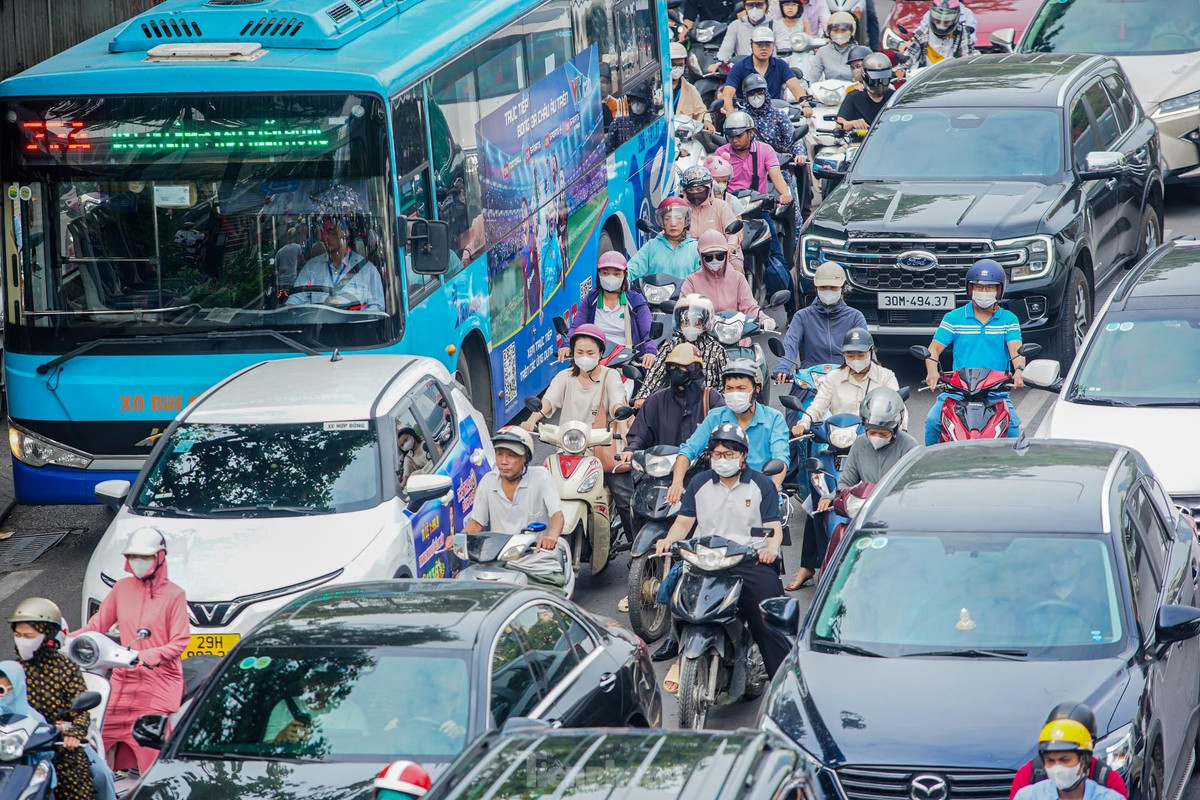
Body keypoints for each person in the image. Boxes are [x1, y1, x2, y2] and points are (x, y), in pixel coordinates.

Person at [653, 422, 789, 686]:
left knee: (768, 621)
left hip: (749, 559)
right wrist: (668, 540)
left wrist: (771, 549)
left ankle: (784, 683)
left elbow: (773, 528)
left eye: (729, 454)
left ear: (743, 456)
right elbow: (684, 522)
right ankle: (682, 652)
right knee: (682, 604)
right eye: (717, 454)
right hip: (706, 559)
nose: (722, 460)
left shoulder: (761, 485)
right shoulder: (699, 482)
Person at [76, 527, 189, 773]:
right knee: (97, 734)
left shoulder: (174, 595)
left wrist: (148, 655)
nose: (138, 562)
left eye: (145, 557)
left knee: (150, 743)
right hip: (123, 676)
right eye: (133, 556)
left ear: (159, 557)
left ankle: (155, 784)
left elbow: (180, 641)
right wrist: (64, 638)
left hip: (159, 679)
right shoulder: (121, 589)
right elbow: (96, 626)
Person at [524, 325, 633, 541]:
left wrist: (620, 418)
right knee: (540, 493)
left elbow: (617, 401)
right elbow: (548, 402)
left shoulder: (610, 376)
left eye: (590, 352)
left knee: (624, 497)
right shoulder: (564, 377)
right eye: (579, 352)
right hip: (568, 450)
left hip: (600, 450)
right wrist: (531, 420)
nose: (584, 357)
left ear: (600, 353)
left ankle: (635, 546)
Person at [923, 259, 1025, 445]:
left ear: (999, 290)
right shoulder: (953, 317)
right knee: (933, 421)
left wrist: (1019, 371)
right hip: (958, 392)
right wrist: (932, 371)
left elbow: (1016, 350)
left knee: (1013, 432)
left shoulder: (1009, 319)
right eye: (979, 287)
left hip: (995, 393)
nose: (984, 291)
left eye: (990, 287)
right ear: (970, 289)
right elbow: (934, 349)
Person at [669, 359, 790, 505]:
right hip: (721, 499)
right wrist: (677, 483)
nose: (734, 393)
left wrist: (773, 488)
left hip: (762, 499)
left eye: (741, 388)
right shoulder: (715, 417)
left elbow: (781, 459)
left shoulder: (774, 418)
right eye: (729, 388)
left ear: (757, 389)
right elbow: (688, 450)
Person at [11, 598, 96, 800]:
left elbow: (81, 710)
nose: (22, 640)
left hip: (61, 748)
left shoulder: (66, 668)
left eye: (28, 636)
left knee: (96, 778)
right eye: (17, 635)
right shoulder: (12, 670)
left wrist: (73, 732)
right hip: (21, 752)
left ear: (47, 635)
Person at [713, 112, 795, 303]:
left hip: (758, 211)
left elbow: (776, 176)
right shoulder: (721, 154)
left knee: (777, 258)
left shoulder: (765, 150)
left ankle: (791, 308)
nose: (734, 140)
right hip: (729, 212)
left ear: (751, 133)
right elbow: (713, 180)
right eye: (730, 136)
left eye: (739, 135)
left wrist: (785, 194)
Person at [464, 427, 565, 550]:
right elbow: (476, 523)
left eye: (511, 455)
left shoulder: (541, 476)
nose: (504, 461)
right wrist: (459, 538)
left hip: (536, 554)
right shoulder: (488, 481)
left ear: (525, 458)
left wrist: (551, 537)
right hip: (498, 555)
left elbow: (557, 515)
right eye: (499, 454)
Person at [790, 328, 900, 436]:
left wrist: (900, 430)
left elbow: (898, 409)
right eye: (850, 356)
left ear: (871, 351)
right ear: (843, 354)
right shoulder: (833, 377)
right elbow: (818, 406)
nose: (856, 359)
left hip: (874, 437)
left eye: (861, 355)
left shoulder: (886, 377)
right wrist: (804, 423)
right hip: (840, 437)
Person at [623, 344, 726, 455]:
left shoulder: (711, 398)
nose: (676, 370)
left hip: (701, 463)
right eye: (672, 366)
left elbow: (724, 434)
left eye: (683, 367)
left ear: (695, 370)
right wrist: (631, 450)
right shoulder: (657, 400)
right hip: (663, 463)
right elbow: (640, 434)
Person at [1010, 704, 1128, 800]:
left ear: (1084, 758)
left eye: (1065, 760)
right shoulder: (1028, 791)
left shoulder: (1109, 785)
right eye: (1050, 760)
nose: (1057, 768)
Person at [562, 252, 658, 369]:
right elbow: (577, 326)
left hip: (625, 363)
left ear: (624, 275)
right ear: (598, 274)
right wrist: (567, 345)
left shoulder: (635, 301)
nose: (611, 278)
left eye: (617, 274)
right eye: (605, 273)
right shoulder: (591, 299)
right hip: (594, 360)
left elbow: (647, 332)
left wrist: (650, 352)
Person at [773, 262, 867, 379]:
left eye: (833, 288)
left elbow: (866, 350)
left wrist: (872, 372)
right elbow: (790, 345)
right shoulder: (802, 317)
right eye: (823, 287)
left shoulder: (855, 317)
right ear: (816, 288)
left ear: (843, 288)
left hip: (846, 379)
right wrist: (783, 368)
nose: (828, 291)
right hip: (810, 380)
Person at [741, 72, 811, 220]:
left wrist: (800, 154)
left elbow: (793, 139)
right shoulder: (741, 118)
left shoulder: (778, 115)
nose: (756, 97)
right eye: (751, 94)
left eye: (760, 93)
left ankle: (799, 228)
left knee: (793, 209)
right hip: (748, 172)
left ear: (766, 94)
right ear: (745, 96)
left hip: (778, 168)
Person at [635, 294, 728, 404]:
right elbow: (655, 375)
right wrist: (643, 395)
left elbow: (726, 385)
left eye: (696, 322)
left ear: (707, 322)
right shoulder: (670, 347)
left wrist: (716, 404)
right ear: (678, 322)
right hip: (674, 404)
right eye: (685, 322)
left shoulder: (717, 351)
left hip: (706, 406)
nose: (690, 326)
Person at [682, 230, 776, 334]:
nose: (715, 261)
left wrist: (764, 319)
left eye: (720, 256)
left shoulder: (738, 278)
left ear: (726, 255)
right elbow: (684, 310)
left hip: (736, 336)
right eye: (708, 257)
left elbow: (750, 307)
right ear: (701, 256)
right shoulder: (691, 281)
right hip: (704, 338)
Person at [287, 217, 385, 312]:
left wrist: (356, 317)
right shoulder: (312, 267)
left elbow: (377, 307)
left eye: (331, 233)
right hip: (320, 322)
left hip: (355, 323)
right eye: (325, 233)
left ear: (345, 234)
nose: (326, 237)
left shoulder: (366, 269)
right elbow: (295, 300)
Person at [722, 27, 810, 114]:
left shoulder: (781, 65)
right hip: (746, 115)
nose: (764, 48)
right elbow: (728, 94)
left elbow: (795, 88)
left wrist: (805, 105)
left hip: (775, 115)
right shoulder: (739, 67)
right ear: (751, 44)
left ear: (773, 46)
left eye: (768, 44)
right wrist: (730, 111)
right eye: (759, 44)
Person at [680, 165, 743, 270]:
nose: (695, 193)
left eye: (699, 189)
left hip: (721, 255)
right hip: (689, 256)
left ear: (709, 188)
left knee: (736, 272)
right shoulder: (681, 208)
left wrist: (731, 245)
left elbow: (734, 233)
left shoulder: (721, 206)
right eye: (691, 190)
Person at [626, 197, 701, 282]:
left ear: (686, 220)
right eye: (667, 219)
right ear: (661, 221)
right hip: (656, 290)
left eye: (678, 218)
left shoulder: (696, 247)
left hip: (687, 290)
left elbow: (703, 276)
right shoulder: (652, 246)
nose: (673, 224)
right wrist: (621, 277)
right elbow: (632, 268)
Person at [907, 0, 976, 69]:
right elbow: (910, 56)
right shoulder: (923, 32)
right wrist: (903, 67)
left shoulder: (962, 32)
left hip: (952, 72)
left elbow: (967, 57)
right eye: (937, 21)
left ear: (955, 20)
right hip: (927, 73)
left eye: (946, 22)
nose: (941, 26)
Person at [837, 51, 894, 130]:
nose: (880, 84)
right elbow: (839, 124)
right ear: (865, 77)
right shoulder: (854, 96)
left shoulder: (894, 97)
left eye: (884, 80)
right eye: (875, 81)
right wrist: (853, 123)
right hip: (862, 137)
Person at [715, 0, 774, 64]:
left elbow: (782, 51)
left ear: (766, 5)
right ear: (744, 6)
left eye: (759, 5)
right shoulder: (735, 25)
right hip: (743, 67)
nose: (755, 9)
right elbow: (726, 50)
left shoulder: (776, 26)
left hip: (770, 67)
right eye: (750, 5)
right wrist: (718, 63)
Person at [670, 42, 712, 131]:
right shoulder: (657, 88)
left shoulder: (690, 90)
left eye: (680, 65)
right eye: (673, 65)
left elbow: (701, 112)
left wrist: (707, 121)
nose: (677, 68)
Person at [806, 12, 860, 82]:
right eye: (835, 30)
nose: (839, 34)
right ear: (829, 32)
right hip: (830, 88)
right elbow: (813, 77)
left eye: (843, 30)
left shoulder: (860, 51)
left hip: (854, 87)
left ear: (852, 31)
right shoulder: (822, 52)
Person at [606, 83, 656, 151]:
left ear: (648, 102)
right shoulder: (618, 124)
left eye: (640, 101)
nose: (636, 105)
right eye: (633, 101)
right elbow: (609, 151)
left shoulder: (656, 122)